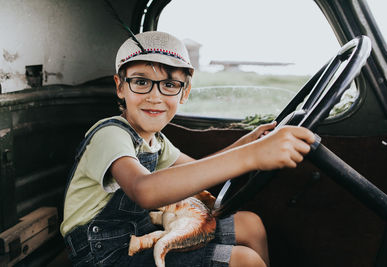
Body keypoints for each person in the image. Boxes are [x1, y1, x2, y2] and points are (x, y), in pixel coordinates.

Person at [61, 31, 315, 267]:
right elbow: (144, 190)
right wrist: (251, 156)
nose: (155, 96)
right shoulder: (110, 133)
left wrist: (247, 143)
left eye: (170, 85)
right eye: (141, 82)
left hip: (140, 235)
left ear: (185, 92)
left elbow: (197, 171)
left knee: (250, 224)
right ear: (120, 86)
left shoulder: (155, 140)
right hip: (102, 255)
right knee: (244, 261)